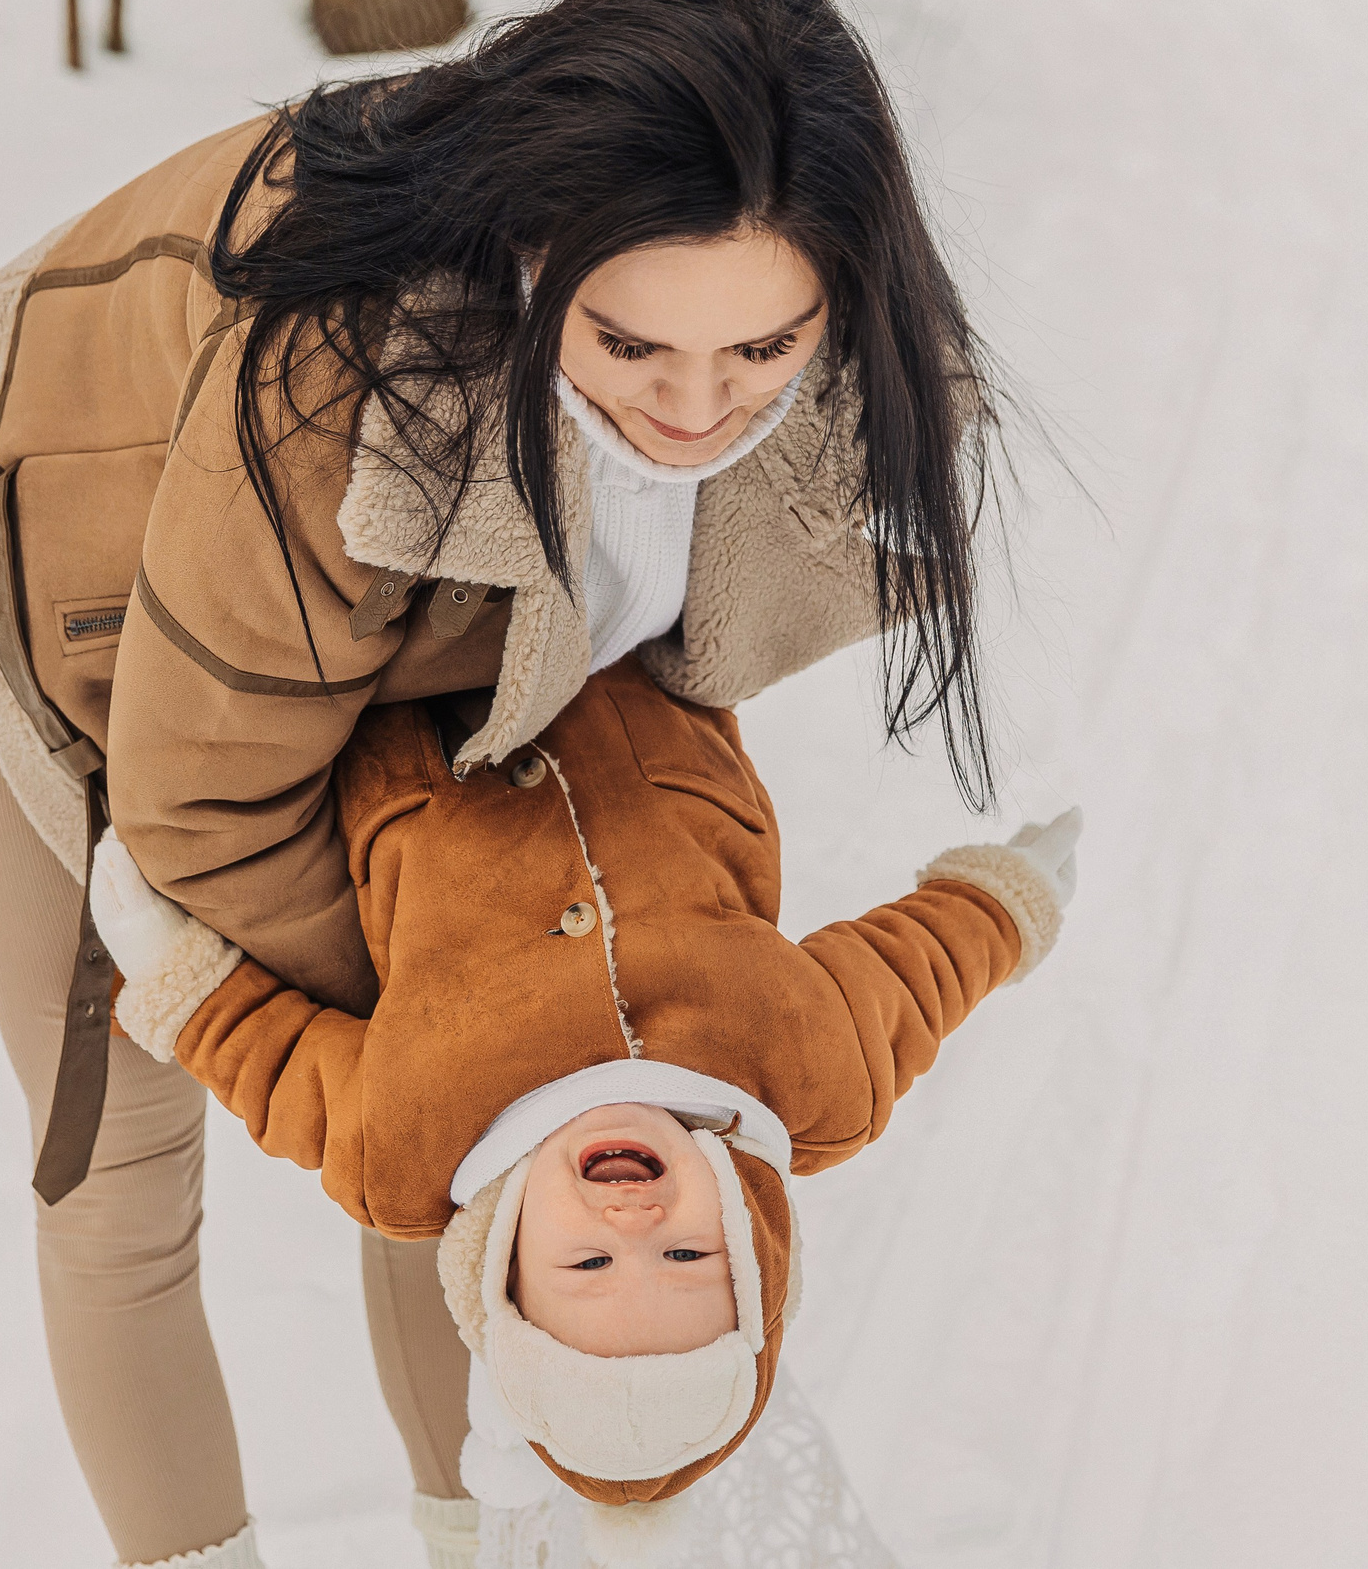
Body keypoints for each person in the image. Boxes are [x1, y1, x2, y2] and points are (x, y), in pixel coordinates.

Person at [0, 0, 1006, 1569]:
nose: (699, 410)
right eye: (632, 345)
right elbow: (199, 805)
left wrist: (542, 1029)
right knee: (134, 1164)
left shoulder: (839, 365)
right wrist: (470, 1028)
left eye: (758, 351)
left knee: (492, 1124)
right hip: (85, 564)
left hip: (433, 623)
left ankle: (486, 1543)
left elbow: (672, 653)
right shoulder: (344, 389)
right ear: (536, 249)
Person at [86, 662, 1080, 1566]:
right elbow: (920, 974)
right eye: (688, 1260)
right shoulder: (805, 1073)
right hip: (633, 656)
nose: (633, 1228)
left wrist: (175, 977)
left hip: (405, 695)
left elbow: (273, 1063)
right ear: (749, 1243)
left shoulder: (408, 1146)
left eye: (589, 1267)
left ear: (507, 1271)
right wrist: (1011, 897)